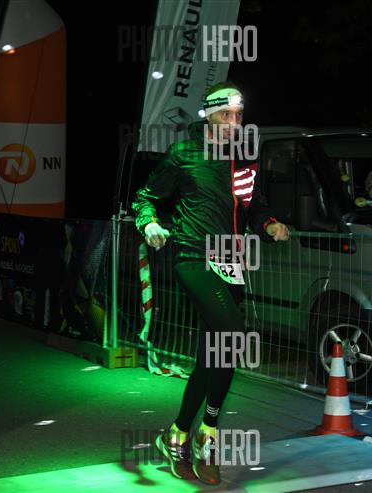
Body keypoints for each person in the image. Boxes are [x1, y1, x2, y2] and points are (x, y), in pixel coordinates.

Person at [132, 82, 289, 485]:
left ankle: (180, 433)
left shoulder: (244, 158)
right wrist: (149, 224)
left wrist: (269, 224)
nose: (234, 122)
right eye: (225, 115)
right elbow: (145, 197)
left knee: (217, 351)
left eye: (239, 115)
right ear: (208, 115)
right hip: (193, 257)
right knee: (232, 332)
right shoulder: (184, 153)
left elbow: (254, 206)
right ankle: (208, 433)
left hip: (231, 264)